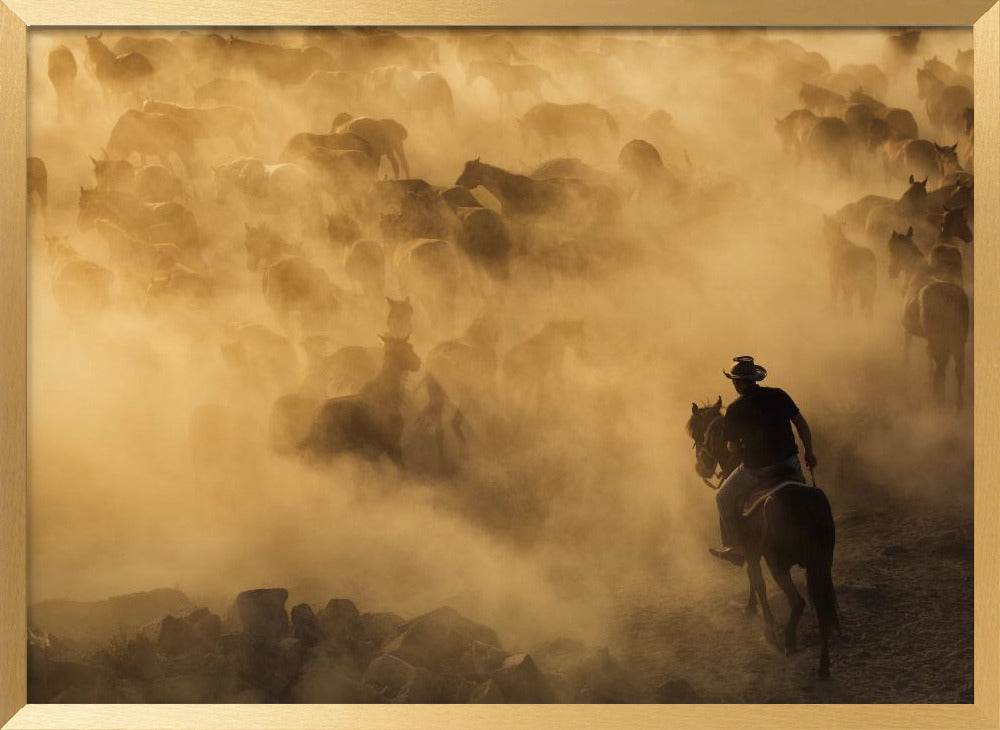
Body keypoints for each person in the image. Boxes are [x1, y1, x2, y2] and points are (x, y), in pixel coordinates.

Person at [709, 356, 817, 566]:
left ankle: (736, 547)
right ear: (755, 378)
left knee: (722, 497)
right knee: (807, 497)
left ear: (738, 382)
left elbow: (734, 448)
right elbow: (802, 426)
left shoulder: (734, 409)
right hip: (790, 464)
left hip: (757, 471)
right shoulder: (779, 395)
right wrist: (810, 453)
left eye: (733, 380)